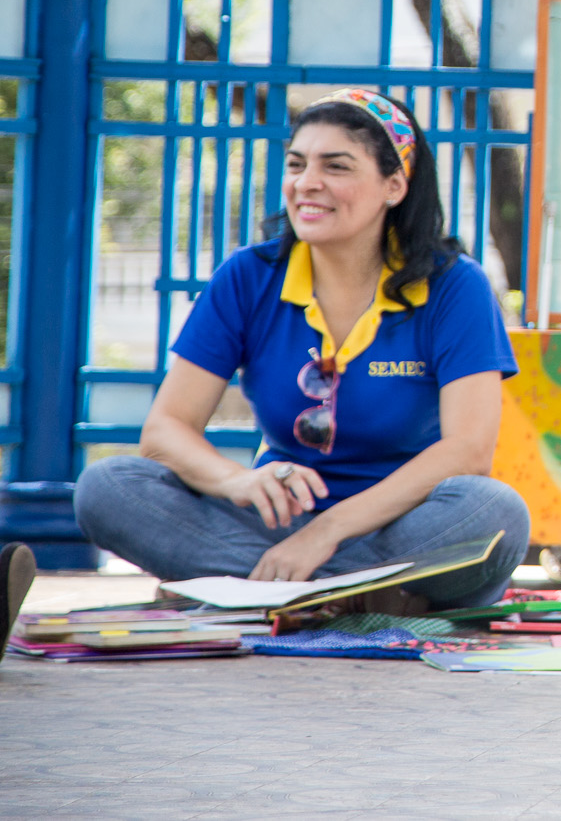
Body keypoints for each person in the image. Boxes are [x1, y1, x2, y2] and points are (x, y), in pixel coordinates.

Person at [74, 90, 528, 610]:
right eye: (296, 164)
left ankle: (264, 592)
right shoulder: (249, 275)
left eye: (335, 167)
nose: (306, 183)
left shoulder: (455, 286)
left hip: (405, 529)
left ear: (394, 185)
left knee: (493, 510)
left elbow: (468, 451)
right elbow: (164, 431)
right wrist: (240, 481)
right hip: (280, 529)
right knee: (107, 486)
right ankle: (352, 598)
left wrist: (327, 532)